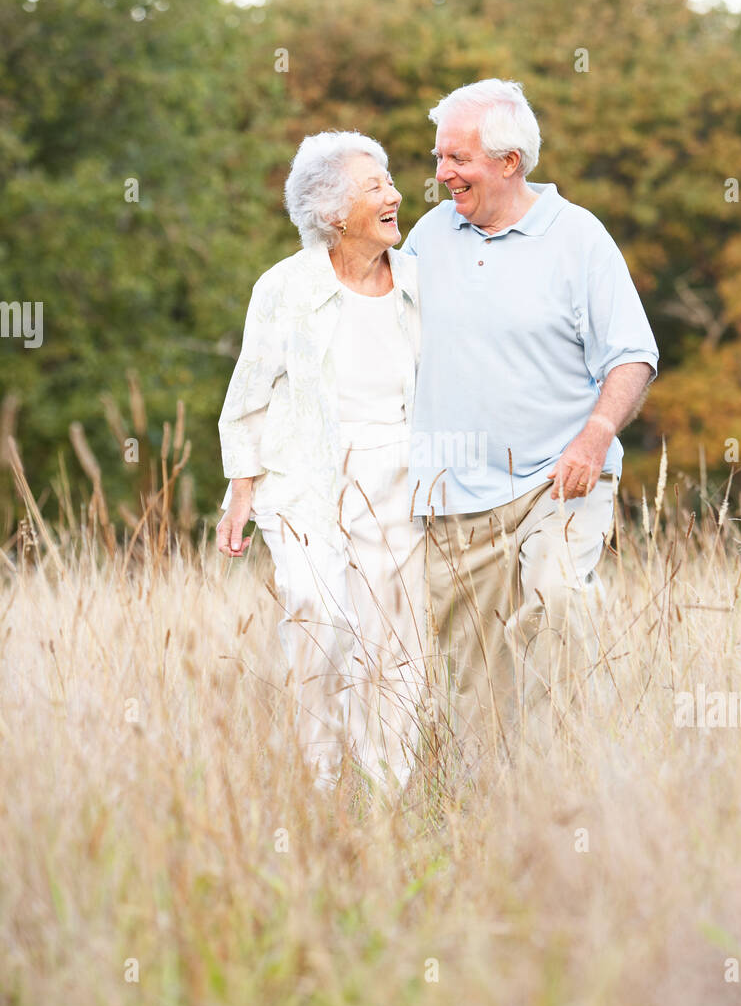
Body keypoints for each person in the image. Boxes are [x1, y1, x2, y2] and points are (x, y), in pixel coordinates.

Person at [403, 79, 659, 766]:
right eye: (438, 157)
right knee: (472, 688)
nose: (441, 174)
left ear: (509, 162)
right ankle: (484, 817)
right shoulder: (430, 235)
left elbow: (632, 355)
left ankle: (570, 770)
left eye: (457, 158)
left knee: (557, 601)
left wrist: (597, 433)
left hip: (560, 479)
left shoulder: (578, 238)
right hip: (454, 496)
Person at [216, 131, 425, 792]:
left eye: (389, 180)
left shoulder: (420, 280)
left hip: (398, 473)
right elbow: (249, 391)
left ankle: (388, 792)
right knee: (317, 610)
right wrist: (240, 490)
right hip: (304, 476)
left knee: (393, 640)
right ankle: (323, 777)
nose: (395, 195)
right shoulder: (285, 287)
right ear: (333, 212)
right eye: (375, 186)